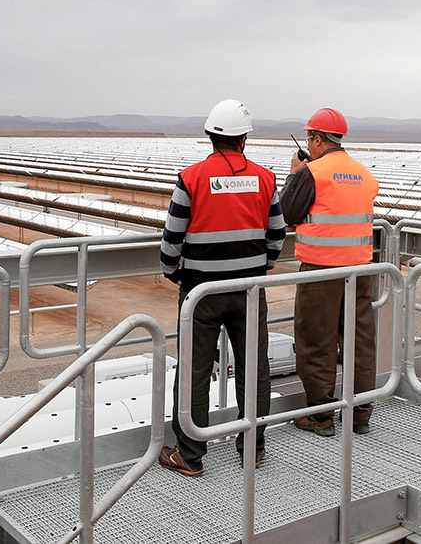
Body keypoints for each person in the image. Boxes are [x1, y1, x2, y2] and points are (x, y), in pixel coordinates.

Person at [157, 99, 285, 475]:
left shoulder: (191, 178)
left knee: (195, 370)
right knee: (253, 369)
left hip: (201, 293)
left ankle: (190, 455)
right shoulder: (265, 178)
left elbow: (171, 241)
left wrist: (174, 273)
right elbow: (276, 234)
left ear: (210, 136)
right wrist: (261, 268)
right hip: (248, 289)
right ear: (243, 139)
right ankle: (253, 449)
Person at [280, 107, 379, 436]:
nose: (309, 144)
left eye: (311, 138)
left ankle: (321, 416)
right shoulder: (364, 174)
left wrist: (295, 174)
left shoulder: (314, 173)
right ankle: (360, 413)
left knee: (315, 341)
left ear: (318, 139)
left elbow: (287, 213)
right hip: (361, 270)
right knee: (359, 341)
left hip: (320, 272)